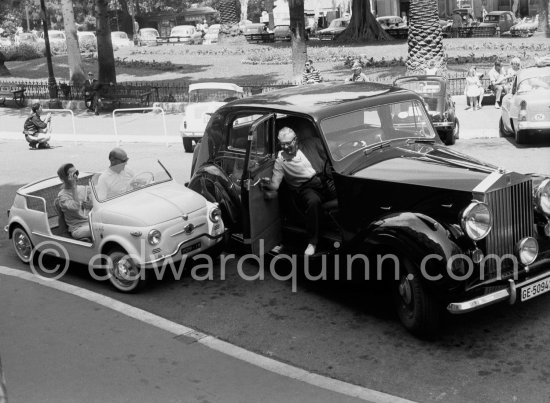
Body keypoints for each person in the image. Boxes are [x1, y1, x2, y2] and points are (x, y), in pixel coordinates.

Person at [261, 127, 335, 257]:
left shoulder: (310, 144)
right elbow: (275, 185)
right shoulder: (280, 160)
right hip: (305, 188)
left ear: (295, 140)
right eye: (282, 144)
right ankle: (313, 242)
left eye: (288, 143)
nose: (285, 147)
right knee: (313, 202)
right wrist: (268, 184)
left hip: (323, 180)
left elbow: (331, 154)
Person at [56, 163, 92, 240]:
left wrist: (92, 205)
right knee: (101, 229)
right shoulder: (62, 196)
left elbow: (100, 198)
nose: (76, 176)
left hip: (92, 222)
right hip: (78, 229)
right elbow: (75, 207)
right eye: (72, 174)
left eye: (76, 173)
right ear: (65, 178)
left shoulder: (84, 189)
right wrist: (73, 187)